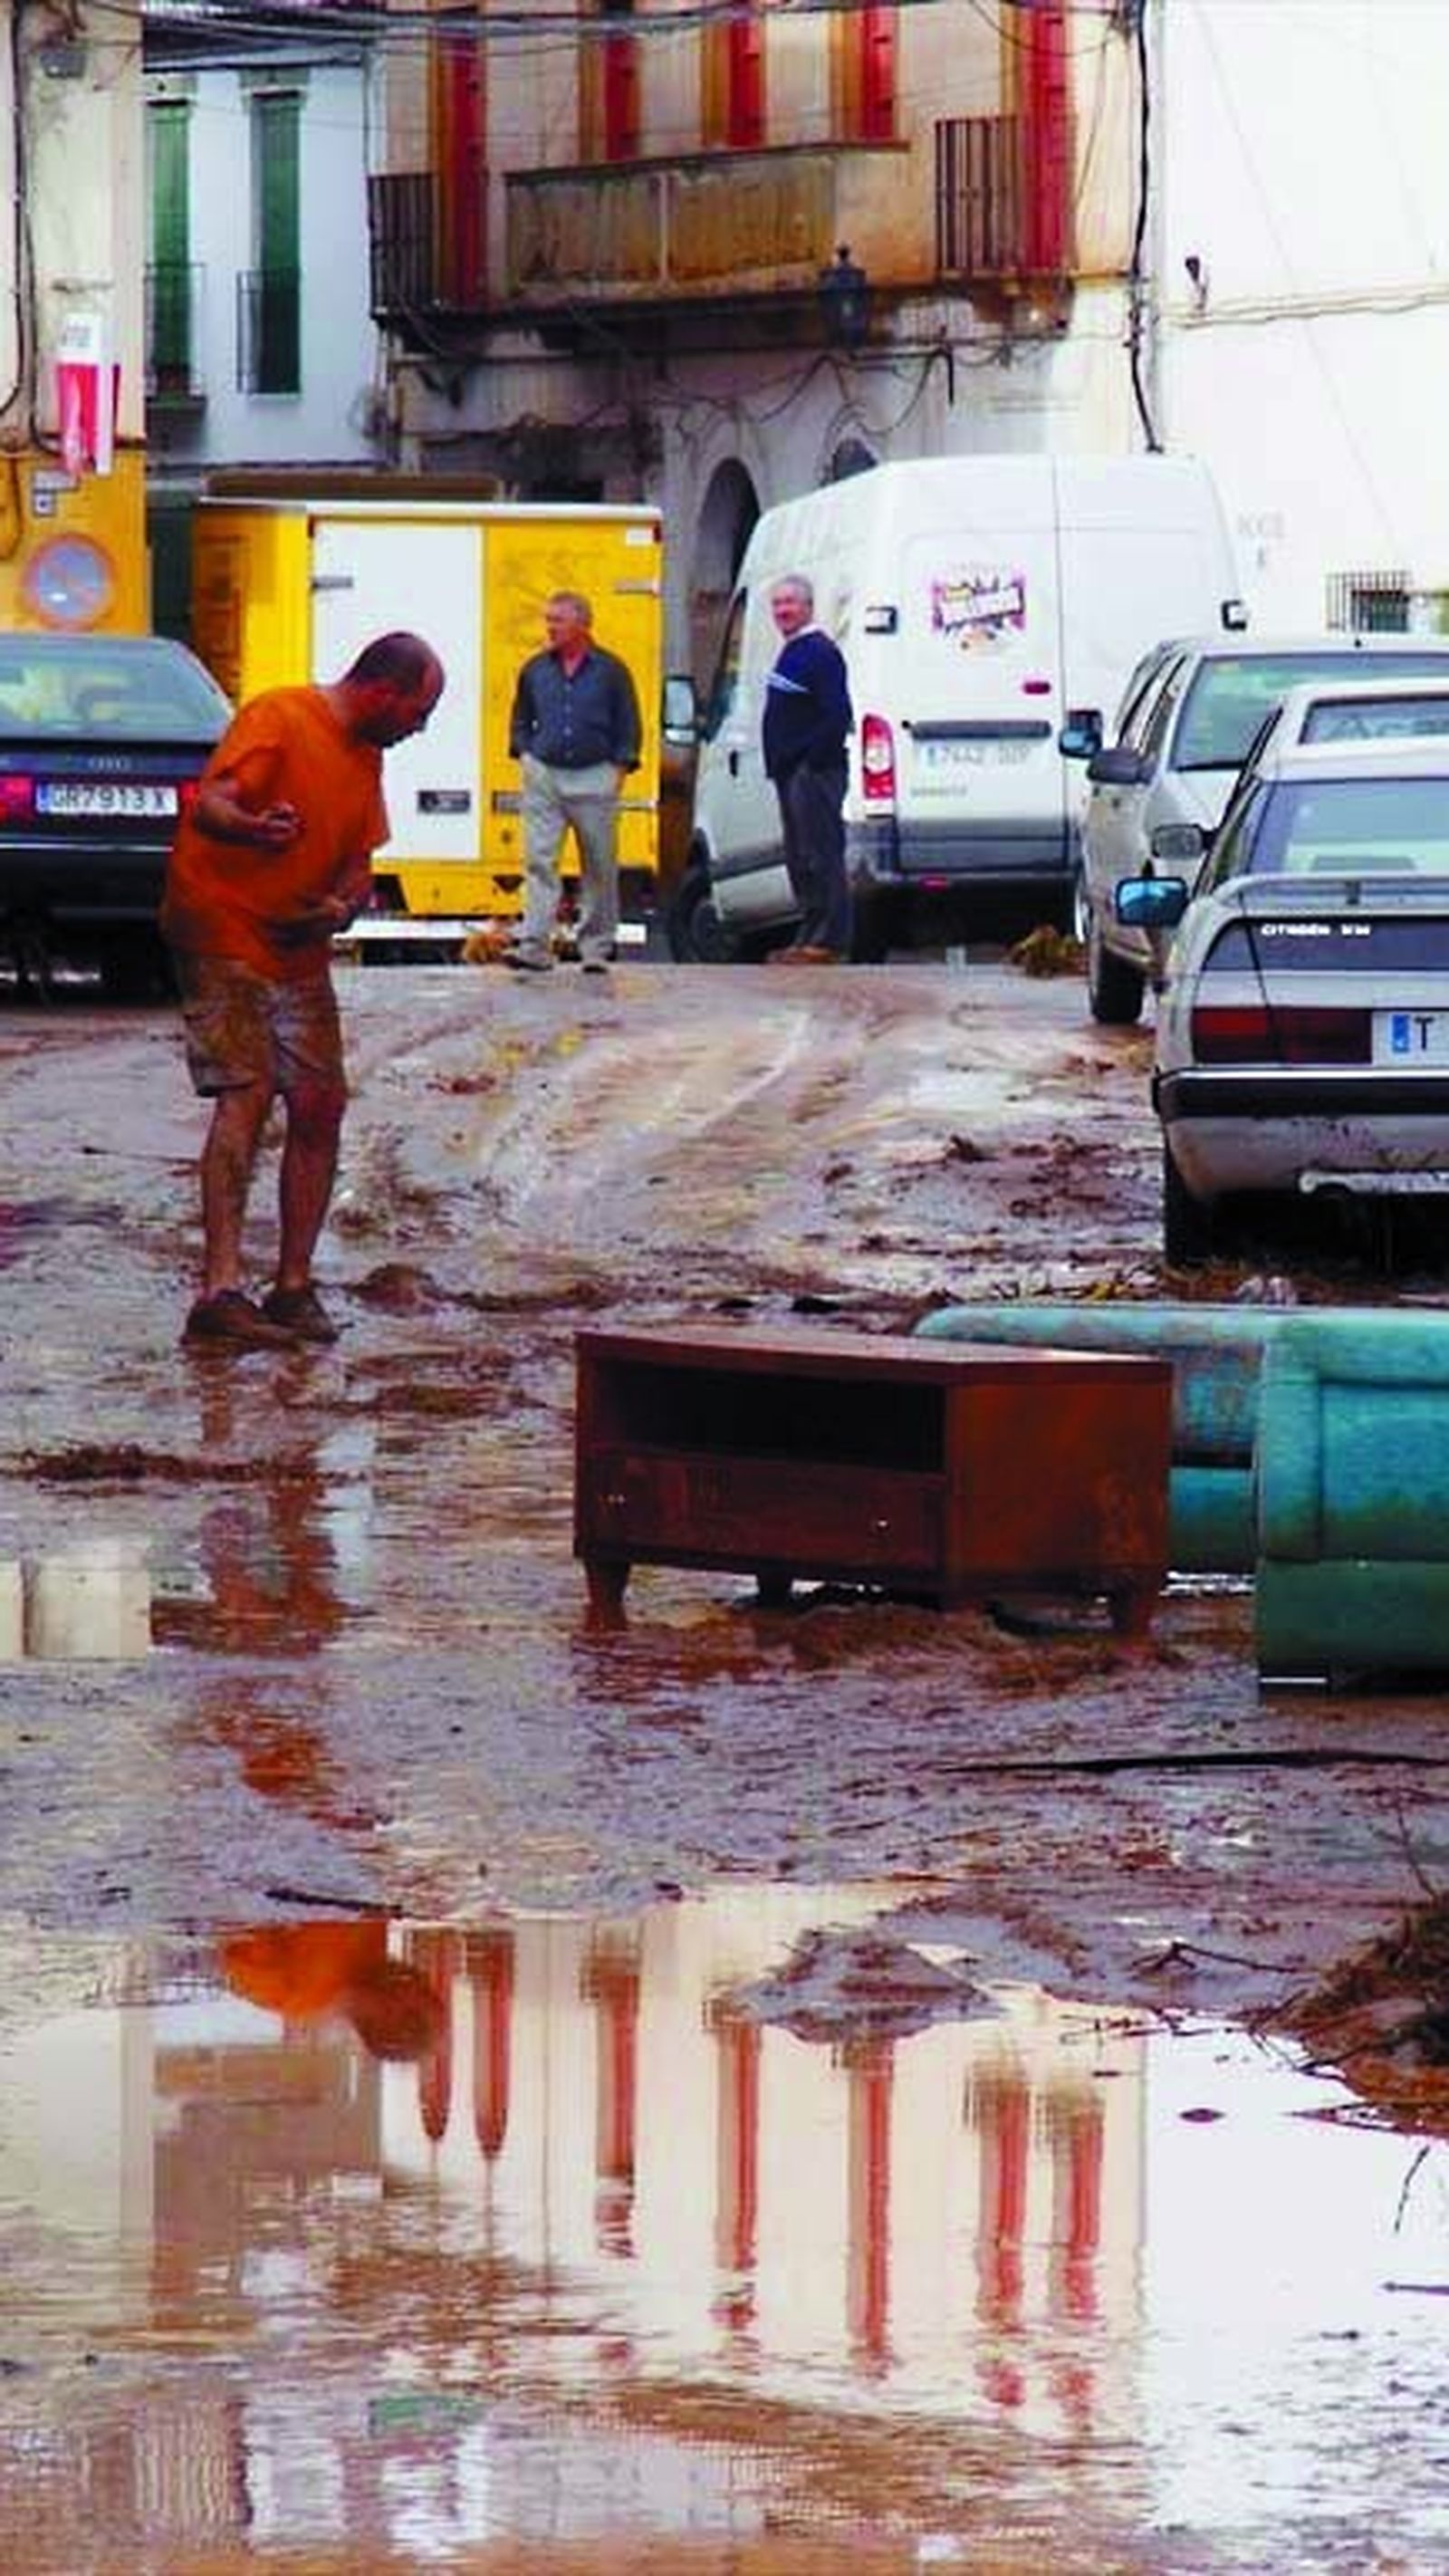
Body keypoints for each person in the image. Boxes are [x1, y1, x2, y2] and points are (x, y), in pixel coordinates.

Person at [161, 630, 445, 1351]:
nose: (421, 726)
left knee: (319, 1101)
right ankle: (220, 1292)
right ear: (383, 690)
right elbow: (211, 805)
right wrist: (255, 828)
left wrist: (342, 909)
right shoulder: (280, 717)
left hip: (298, 945)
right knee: (247, 1092)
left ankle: (292, 1286)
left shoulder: (366, 756)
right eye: (420, 709)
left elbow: (359, 863)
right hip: (223, 928)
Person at [505, 590, 642, 974]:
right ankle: (534, 944)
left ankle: (596, 947)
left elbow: (628, 722)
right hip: (545, 774)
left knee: (598, 863)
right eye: (548, 620)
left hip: (595, 774)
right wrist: (525, 754)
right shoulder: (535, 669)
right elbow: (521, 716)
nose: (550, 628)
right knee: (539, 860)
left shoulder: (612, 670)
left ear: (583, 624)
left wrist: (619, 768)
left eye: (558, 621)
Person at [761, 572, 854, 963]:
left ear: (808, 607)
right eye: (777, 604)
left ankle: (830, 937)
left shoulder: (820, 652)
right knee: (799, 856)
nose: (782, 611)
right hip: (789, 772)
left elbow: (837, 713)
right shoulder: (791, 651)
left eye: (790, 603)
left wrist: (810, 761)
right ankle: (809, 929)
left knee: (820, 853)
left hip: (814, 773)